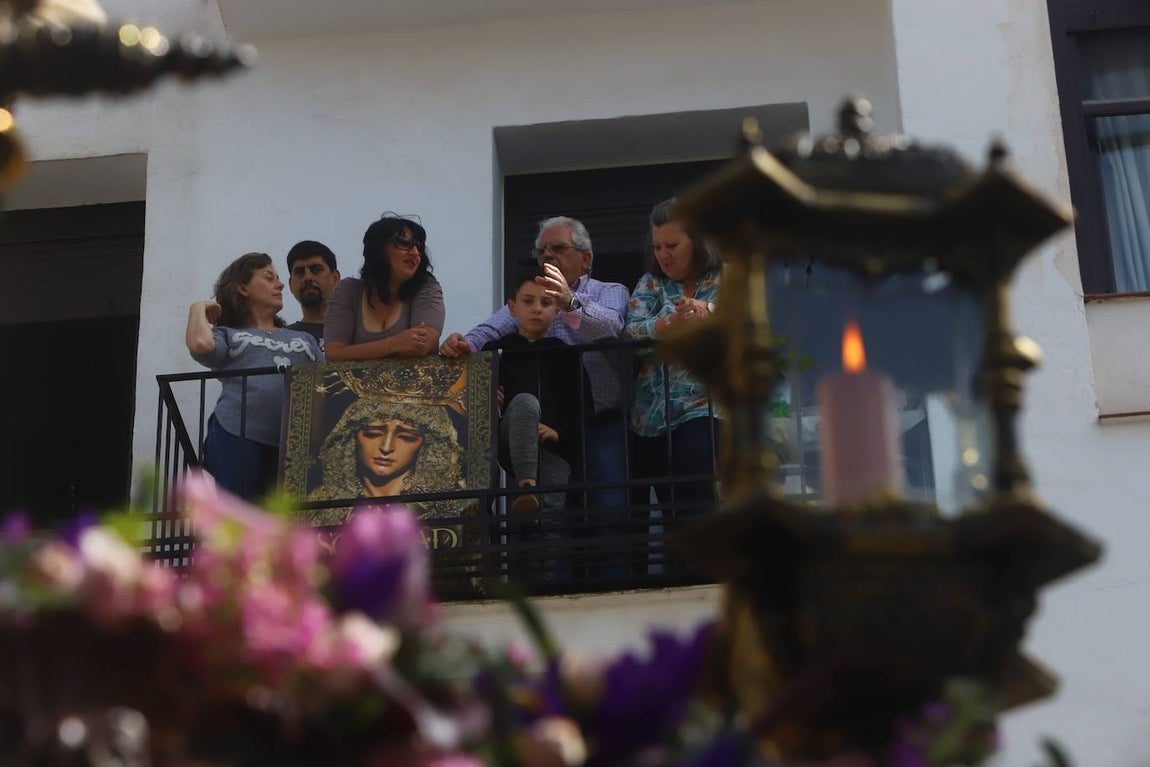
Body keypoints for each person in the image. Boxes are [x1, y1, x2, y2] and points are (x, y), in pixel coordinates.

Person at [440, 216, 630, 523]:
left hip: (601, 423)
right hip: (544, 431)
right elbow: (490, 330)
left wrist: (569, 302)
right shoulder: (535, 296)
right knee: (544, 517)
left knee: (608, 510)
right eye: (541, 251)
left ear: (586, 258)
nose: (547, 256)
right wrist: (462, 345)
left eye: (557, 248)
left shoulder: (609, 290)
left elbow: (611, 328)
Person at [186, 252, 322, 499]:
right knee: (239, 515)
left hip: (297, 443)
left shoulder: (304, 339)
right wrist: (198, 308)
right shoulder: (227, 334)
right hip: (236, 432)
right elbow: (199, 344)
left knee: (289, 522)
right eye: (269, 277)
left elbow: (328, 384)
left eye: (278, 279)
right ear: (243, 289)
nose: (279, 284)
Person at [624, 198, 722, 517]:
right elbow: (630, 332)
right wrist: (667, 325)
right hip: (651, 417)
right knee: (671, 509)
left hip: (705, 405)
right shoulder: (651, 283)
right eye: (656, 247)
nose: (663, 255)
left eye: (672, 245)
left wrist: (708, 312)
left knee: (696, 485)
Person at [483, 267, 592, 525]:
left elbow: (582, 406)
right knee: (525, 403)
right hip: (512, 444)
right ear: (512, 307)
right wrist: (491, 401)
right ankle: (526, 487)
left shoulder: (565, 354)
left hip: (554, 450)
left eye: (546, 303)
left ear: (557, 311)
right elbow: (474, 398)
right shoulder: (496, 351)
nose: (536, 309)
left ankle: (529, 501)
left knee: (549, 521)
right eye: (528, 301)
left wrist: (559, 432)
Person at [306, 398, 466, 530]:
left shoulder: (446, 504)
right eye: (372, 434)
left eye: (407, 437)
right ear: (350, 438)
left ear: (428, 446)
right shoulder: (321, 504)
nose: (386, 447)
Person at [325, 214, 444, 361]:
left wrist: (356, 352)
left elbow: (420, 346)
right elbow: (334, 354)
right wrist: (393, 344)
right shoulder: (348, 290)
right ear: (378, 248)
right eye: (404, 242)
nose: (415, 253)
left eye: (418, 246)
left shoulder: (426, 287)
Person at [286, 240, 340, 350]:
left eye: (316, 269)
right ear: (291, 284)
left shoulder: (358, 334)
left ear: (335, 278)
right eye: (300, 272)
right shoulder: (282, 341)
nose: (308, 277)